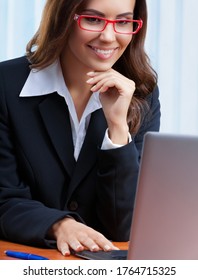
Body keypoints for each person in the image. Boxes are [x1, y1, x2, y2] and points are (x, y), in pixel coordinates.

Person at [0, 0, 160, 256]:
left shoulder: (141, 94)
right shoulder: (6, 85)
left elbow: (123, 227)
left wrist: (117, 128)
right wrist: (59, 225)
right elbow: (4, 198)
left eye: (122, 22)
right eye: (93, 19)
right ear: (64, 18)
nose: (108, 37)